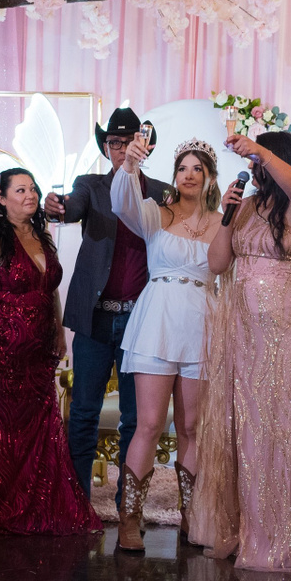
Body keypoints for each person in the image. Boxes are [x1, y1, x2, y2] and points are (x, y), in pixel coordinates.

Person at [190, 130, 291, 570]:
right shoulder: (248, 205)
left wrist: (261, 151)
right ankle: (249, 530)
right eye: (252, 163)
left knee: (283, 425)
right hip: (245, 329)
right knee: (246, 428)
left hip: (289, 325)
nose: (253, 169)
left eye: (258, 162)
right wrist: (228, 216)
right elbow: (217, 263)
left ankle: (283, 536)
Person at [0, 167, 98, 534]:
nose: (30, 195)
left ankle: (38, 502)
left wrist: (58, 330)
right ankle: (4, 504)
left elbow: (49, 289)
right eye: (20, 190)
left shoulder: (42, 235)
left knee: (40, 426)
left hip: (39, 347)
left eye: (32, 189)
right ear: (3, 198)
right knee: (3, 426)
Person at [47, 106, 168, 500]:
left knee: (135, 419)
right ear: (106, 147)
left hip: (141, 322)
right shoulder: (91, 185)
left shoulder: (162, 193)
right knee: (83, 412)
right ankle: (76, 503)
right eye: (114, 142)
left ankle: (127, 506)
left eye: (129, 141)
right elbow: (71, 206)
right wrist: (56, 205)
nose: (122, 149)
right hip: (95, 318)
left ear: (144, 146)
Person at [109, 137, 219, 551]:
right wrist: (129, 167)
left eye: (197, 169)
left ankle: (192, 514)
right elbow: (122, 204)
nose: (188, 175)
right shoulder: (156, 214)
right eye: (182, 168)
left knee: (192, 428)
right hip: (157, 322)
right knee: (150, 424)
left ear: (209, 178)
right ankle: (129, 518)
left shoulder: (223, 222)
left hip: (202, 325)